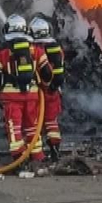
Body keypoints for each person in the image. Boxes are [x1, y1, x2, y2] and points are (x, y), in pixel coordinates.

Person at [0, 14, 47, 172]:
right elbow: (47, 74)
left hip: (10, 98)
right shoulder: (36, 50)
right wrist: (44, 86)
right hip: (33, 96)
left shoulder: (1, 53)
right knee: (33, 127)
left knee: (14, 128)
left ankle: (19, 161)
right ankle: (37, 159)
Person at [29, 15, 66, 161]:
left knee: (33, 122)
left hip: (37, 91)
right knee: (51, 122)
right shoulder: (56, 49)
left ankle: (36, 155)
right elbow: (59, 73)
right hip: (52, 91)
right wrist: (53, 87)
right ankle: (54, 150)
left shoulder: (33, 49)